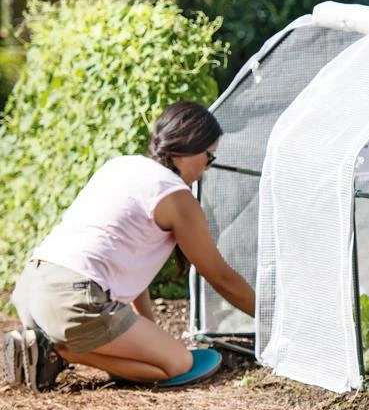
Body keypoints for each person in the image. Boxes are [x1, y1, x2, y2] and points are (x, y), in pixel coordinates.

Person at [4, 101, 255, 391]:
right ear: (191, 148)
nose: (206, 169)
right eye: (209, 157)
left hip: (32, 290)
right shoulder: (176, 198)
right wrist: (268, 321)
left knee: (161, 354)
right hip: (73, 300)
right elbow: (220, 277)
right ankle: (58, 350)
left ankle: (47, 340)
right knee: (178, 364)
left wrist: (148, 332)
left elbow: (128, 268)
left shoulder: (122, 166)